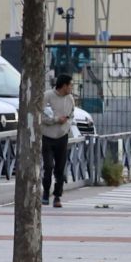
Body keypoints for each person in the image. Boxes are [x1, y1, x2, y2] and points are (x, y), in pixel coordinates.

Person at [41, 73, 76, 208]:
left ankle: (57, 196)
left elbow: (72, 115)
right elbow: (41, 115)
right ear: (64, 85)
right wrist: (56, 120)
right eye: (70, 85)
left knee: (60, 168)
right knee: (48, 166)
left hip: (62, 137)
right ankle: (45, 193)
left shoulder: (70, 99)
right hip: (47, 137)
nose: (71, 87)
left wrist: (66, 125)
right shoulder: (48, 96)